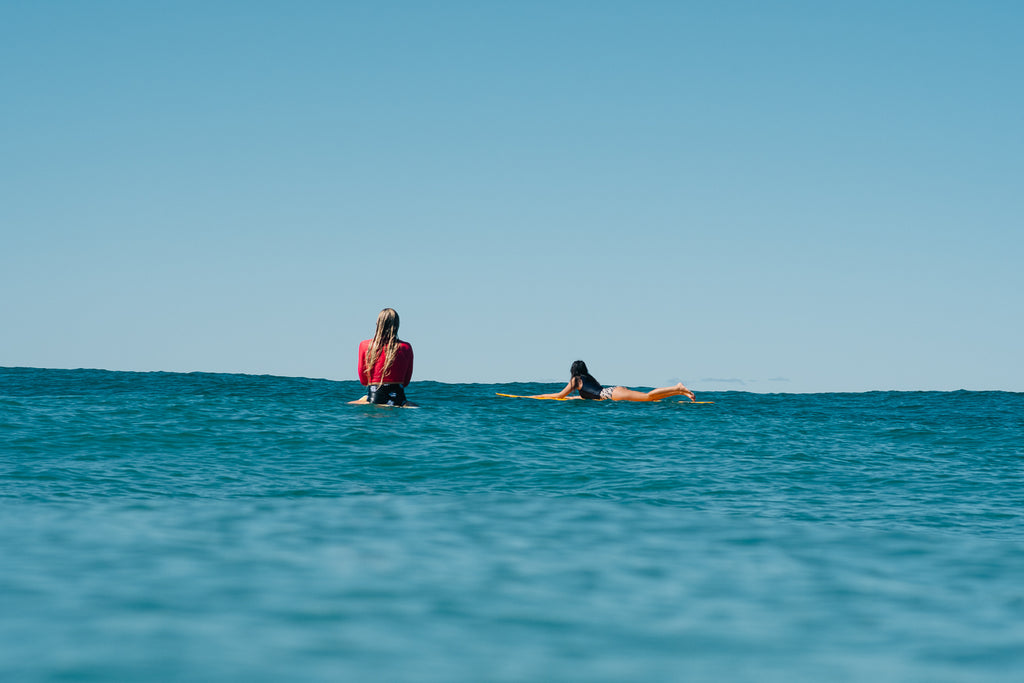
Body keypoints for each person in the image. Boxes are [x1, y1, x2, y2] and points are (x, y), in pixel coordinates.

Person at [529, 360, 696, 402]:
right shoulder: (587, 379)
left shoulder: (576, 379)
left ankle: (677, 387)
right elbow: (586, 396)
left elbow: (560, 396)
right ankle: (680, 392)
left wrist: (538, 397)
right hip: (612, 390)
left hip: (610, 394)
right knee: (650, 398)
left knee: (648, 398)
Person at [350, 308, 414, 406]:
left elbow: (364, 381)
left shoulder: (364, 345)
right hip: (399, 400)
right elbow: (405, 382)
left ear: (378, 324)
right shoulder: (406, 347)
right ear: (397, 325)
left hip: (374, 398)